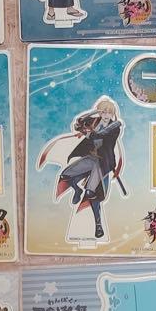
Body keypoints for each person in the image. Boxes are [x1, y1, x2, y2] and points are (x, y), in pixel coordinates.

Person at [37, 97, 124, 241]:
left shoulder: (115, 127)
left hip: (103, 163)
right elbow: (79, 123)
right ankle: (77, 190)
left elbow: (100, 135)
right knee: (65, 175)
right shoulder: (95, 121)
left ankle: (98, 225)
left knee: (92, 194)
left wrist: (86, 132)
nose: (106, 115)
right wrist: (86, 118)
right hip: (90, 159)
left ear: (113, 113)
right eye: (103, 112)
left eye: (109, 112)